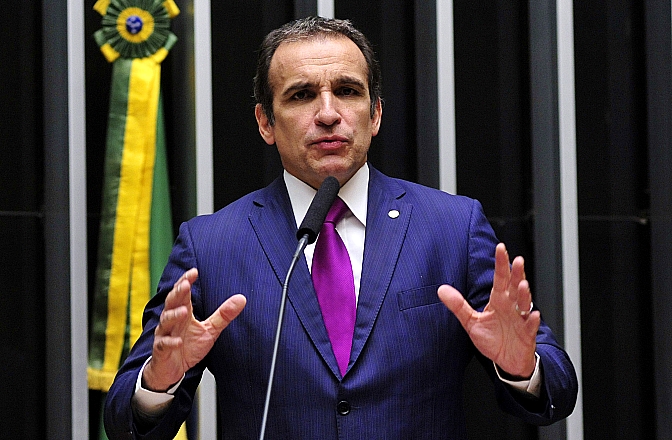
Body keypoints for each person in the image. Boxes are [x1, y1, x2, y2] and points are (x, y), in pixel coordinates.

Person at [104, 16, 578, 439]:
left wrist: (522, 368)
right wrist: (159, 381)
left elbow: (556, 392)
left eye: (348, 91)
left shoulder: (451, 227)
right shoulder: (210, 246)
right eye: (302, 95)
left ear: (374, 114)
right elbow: (126, 418)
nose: (328, 113)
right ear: (265, 122)